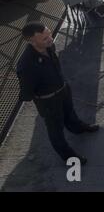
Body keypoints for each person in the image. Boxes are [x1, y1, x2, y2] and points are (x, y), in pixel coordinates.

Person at [16, 22, 99, 165]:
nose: (50, 39)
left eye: (49, 34)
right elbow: (26, 94)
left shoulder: (48, 46)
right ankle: (68, 156)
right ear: (31, 41)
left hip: (63, 89)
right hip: (49, 102)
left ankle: (78, 128)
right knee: (56, 130)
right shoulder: (26, 65)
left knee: (70, 113)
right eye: (45, 38)